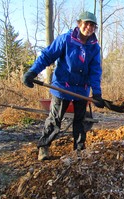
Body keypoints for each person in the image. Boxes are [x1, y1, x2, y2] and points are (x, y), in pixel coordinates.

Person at [23, 11, 104, 160]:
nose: (89, 27)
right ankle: (44, 147)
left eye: (92, 25)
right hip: (62, 87)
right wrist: (32, 72)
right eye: (86, 23)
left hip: (82, 89)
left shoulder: (94, 47)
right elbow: (47, 55)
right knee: (55, 119)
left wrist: (97, 93)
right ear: (79, 23)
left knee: (80, 121)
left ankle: (79, 150)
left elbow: (95, 71)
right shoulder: (66, 39)